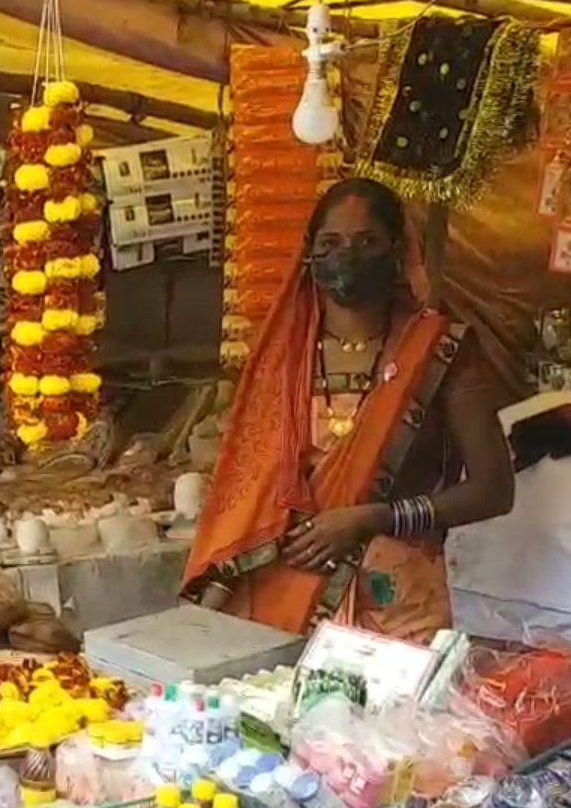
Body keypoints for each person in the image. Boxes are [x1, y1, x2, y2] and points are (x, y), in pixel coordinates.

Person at [182, 178, 515, 643]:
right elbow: (248, 496)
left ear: (397, 250)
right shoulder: (281, 359)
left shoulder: (440, 350)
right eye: (331, 243)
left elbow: (494, 490)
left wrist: (375, 517)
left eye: (366, 241)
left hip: (395, 605)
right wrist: (207, 610)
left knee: (396, 718)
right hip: (280, 596)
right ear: (310, 257)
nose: (348, 254)